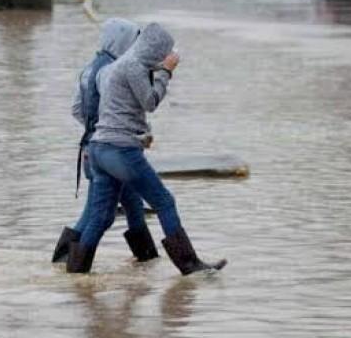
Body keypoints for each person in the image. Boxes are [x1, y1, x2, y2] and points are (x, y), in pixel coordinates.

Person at [67, 22, 227, 275]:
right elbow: (150, 102)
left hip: (99, 148)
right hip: (119, 151)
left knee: (100, 217)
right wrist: (166, 72)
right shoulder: (132, 66)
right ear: (154, 50)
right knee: (164, 201)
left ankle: (75, 273)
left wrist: (139, 134)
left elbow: (120, 112)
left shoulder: (112, 68)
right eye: (162, 53)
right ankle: (189, 265)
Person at [52, 19, 160, 266]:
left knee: (132, 204)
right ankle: (66, 261)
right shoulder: (113, 70)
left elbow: (76, 109)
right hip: (112, 150)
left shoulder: (89, 68)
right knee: (98, 213)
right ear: (122, 40)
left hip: (92, 148)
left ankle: (147, 262)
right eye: (132, 40)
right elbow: (123, 111)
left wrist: (93, 131)